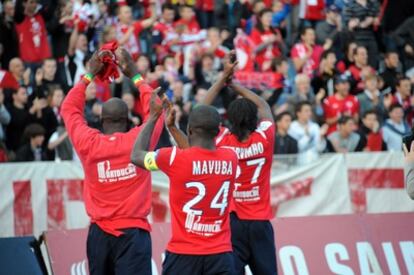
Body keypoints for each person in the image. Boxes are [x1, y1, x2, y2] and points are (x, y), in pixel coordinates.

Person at [60, 48, 164, 275]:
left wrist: (89, 75)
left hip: (99, 236)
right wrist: (136, 76)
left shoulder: (89, 143)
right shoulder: (139, 140)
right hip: (133, 234)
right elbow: (157, 114)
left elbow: (69, 109)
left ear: (100, 120)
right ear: (127, 120)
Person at [131, 92, 238, 275]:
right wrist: (173, 129)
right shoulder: (231, 157)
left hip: (183, 255)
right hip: (220, 255)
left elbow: (136, 155)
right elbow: (196, 155)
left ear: (189, 130)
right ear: (218, 131)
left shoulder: (173, 158)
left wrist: (153, 117)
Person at [199, 52, 278, 275]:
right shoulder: (265, 138)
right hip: (260, 222)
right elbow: (263, 105)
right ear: (254, 120)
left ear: (229, 120)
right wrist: (235, 85)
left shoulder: (222, 142)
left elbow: (200, 112)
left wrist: (222, 80)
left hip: (233, 222)